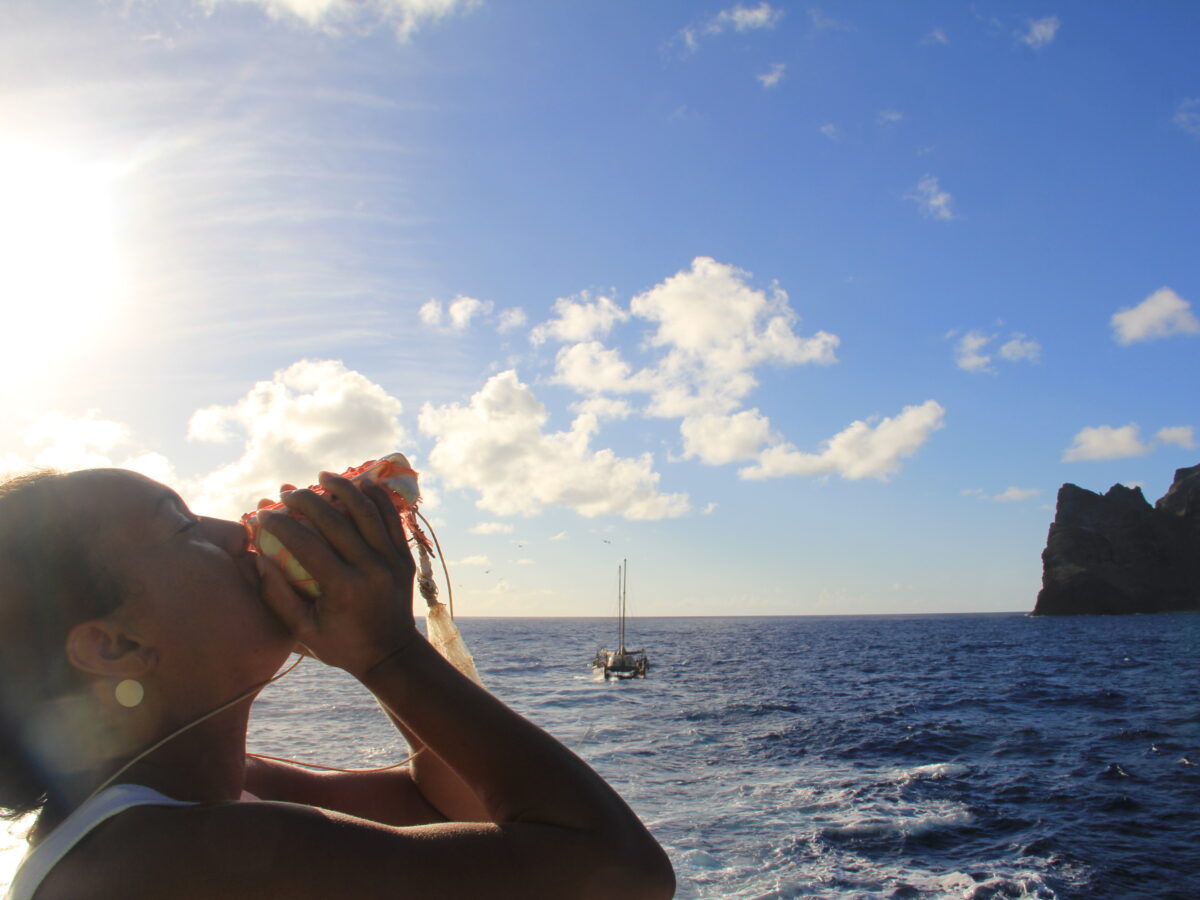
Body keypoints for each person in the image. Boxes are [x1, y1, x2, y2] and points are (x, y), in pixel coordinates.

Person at [0, 467, 675, 899]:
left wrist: (375, 637)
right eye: (182, 525)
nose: (240, 530)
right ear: (114, 646)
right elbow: (625, 877)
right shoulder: (156, 865)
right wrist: (385, 654)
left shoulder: (214, 795)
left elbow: (446, 804)